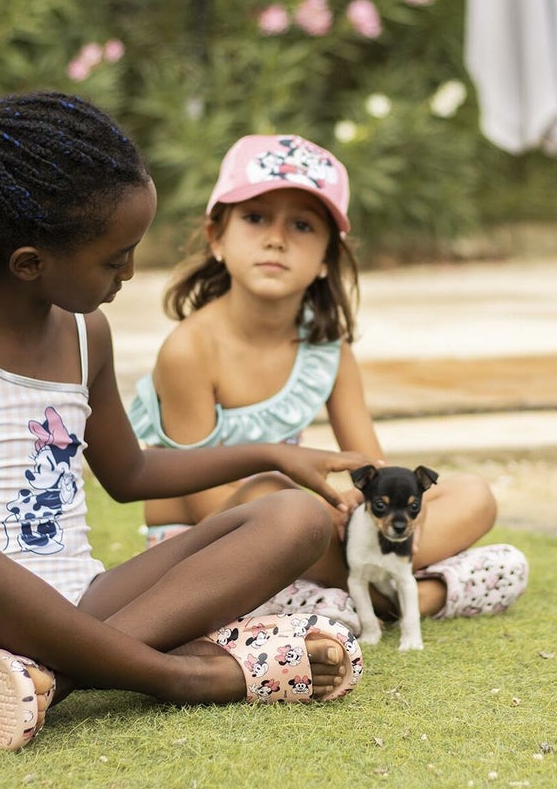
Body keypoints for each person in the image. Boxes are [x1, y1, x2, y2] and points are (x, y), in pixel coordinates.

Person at [0, 97, 375, 751]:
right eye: (115, 260)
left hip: (85, 602)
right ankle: (186, 675)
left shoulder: (89, 335)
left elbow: (132, 473)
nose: (129, 274)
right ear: (31, 263)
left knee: (296, 516)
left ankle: (58, 679)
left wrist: (276, 460)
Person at [129, 133, 528, 628]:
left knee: (472, 495)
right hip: (206, 546)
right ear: (216, 235)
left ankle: (354, 600)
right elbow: (206, 503)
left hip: (306, 543)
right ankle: (403, 599)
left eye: (302, 225)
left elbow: (376, 471)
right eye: (255, 218)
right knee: (271, 493)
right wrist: (315, 511)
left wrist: (359, 513)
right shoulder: (189, 349)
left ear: (325, 259)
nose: (276, 238)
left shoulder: (330, 352)